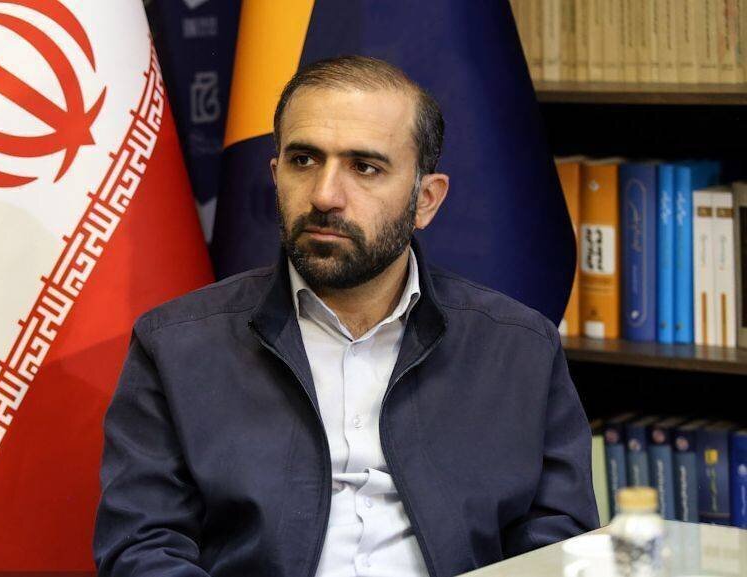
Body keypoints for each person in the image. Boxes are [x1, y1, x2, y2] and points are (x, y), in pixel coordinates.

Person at [94, 55, 599, 577]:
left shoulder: (519, 347)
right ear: (276, 175)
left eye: (365, 168)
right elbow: (142, 548)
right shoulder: (176, 346)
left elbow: (558, 542)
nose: (325, 196)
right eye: (304, 160)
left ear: (425, 200)